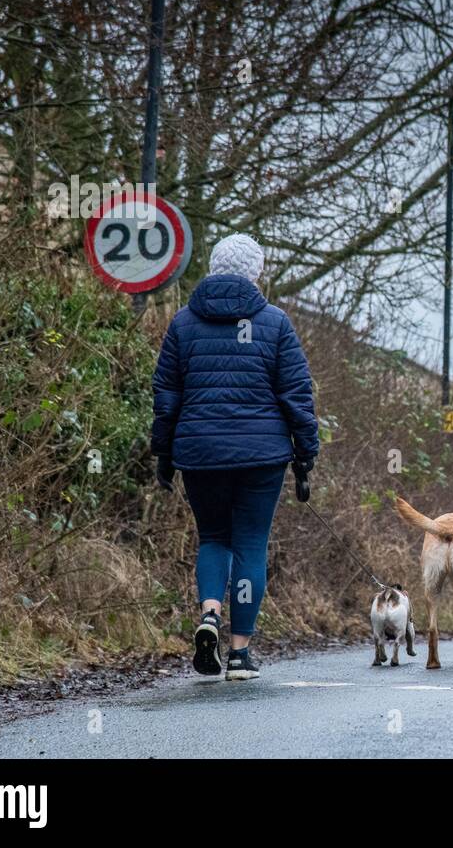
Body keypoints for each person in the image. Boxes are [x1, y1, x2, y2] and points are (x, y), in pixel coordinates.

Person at [151, 233, 319, 680]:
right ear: (256, 273)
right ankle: (240, 653)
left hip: (199, 453)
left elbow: (166, 396)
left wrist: (164, 453)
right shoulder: (275, 323)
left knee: (213, 538)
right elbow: (297, 396)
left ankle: (209, 614)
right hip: (261, 456)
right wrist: (306, 453)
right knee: (249, 545)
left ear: (212, 267)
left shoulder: (184, 323)